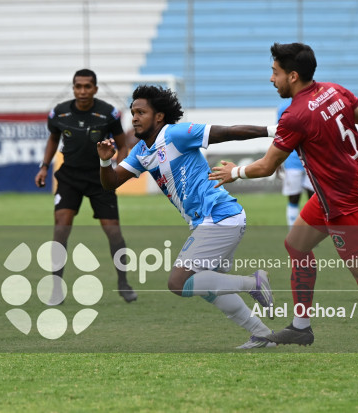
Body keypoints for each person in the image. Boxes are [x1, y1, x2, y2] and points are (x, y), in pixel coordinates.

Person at [209, 42, 358, 363]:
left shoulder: (295, 115)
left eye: (275, 72)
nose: (271, 79)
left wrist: (234, 171)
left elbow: (266, 166)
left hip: (346, 208)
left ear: (293, 76)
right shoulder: (335, 91)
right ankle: (301, 326)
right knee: (296, 244)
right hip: (328, 199)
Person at [97, 85, 277, 349]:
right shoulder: (141, 151)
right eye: (133, 112)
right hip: (213, 220)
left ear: (159, 117)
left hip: (219, 216)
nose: (134, 117)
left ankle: (253, 283)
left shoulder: (175, 134)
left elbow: (226, 133)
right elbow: (111, 182)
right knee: (207, 288)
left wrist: (274, 132)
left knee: (178, 282)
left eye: (141, 112)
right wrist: (104, 162)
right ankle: (263, 335)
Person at [35, 69, 137, 303]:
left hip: (100, 179)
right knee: (61, 229)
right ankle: (56, 288)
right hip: (69, 178)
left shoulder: (108, 113)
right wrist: (44, 166)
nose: (82, 91)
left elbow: (122, 146)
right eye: (78, 86)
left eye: (87, 86)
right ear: (73, 88)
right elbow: (53, 138)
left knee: (113, 232)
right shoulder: (59, 113)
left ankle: (123, 283)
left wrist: (119, 169)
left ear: (95, 89)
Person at [276, 100, 314, 227]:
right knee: (293, 198)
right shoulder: (283, 107)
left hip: (312, 159)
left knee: (314, 199)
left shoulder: (313, 104)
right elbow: (279, 134)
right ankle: (293, 232)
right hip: (292, 159)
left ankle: (311, 233)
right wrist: (277, 159)